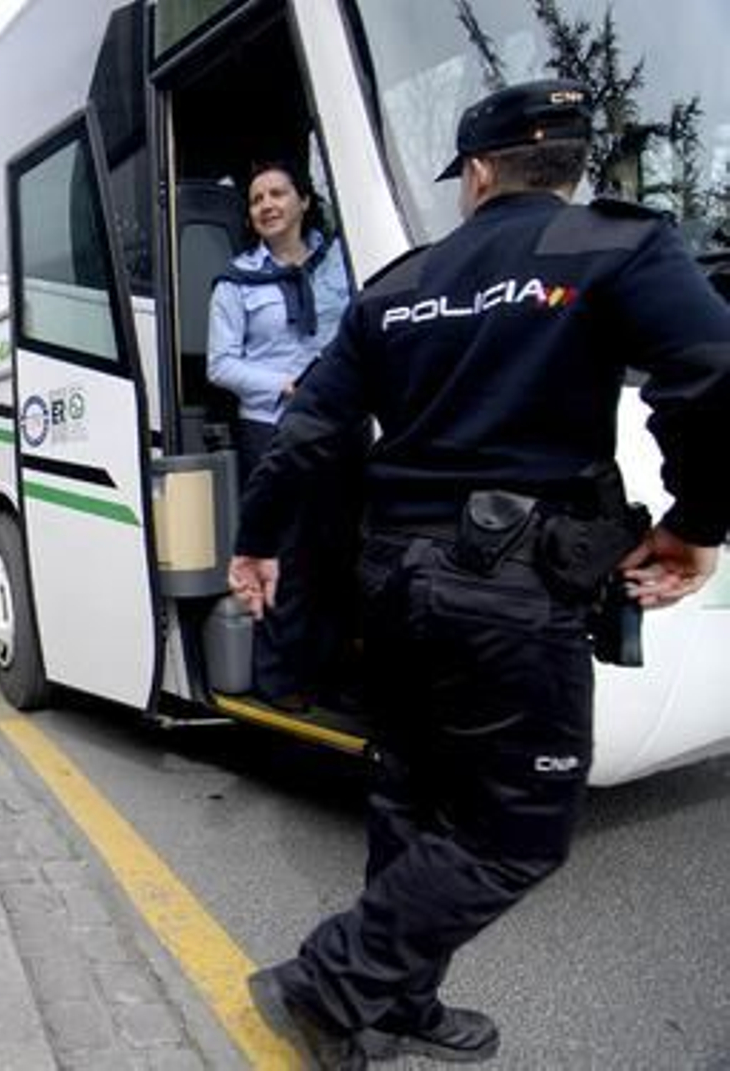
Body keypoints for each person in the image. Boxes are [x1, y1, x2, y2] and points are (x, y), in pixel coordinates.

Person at [229, 81, 730, 1069]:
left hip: (395, 589)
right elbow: (713, 375)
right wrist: (695, 522)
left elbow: (304, 436)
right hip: (507, 599)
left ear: (481, 171)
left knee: (411, 803)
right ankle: (333, 983)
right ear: (568, 165)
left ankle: (391, 1009)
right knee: (519, 830)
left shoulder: (399, 282)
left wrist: (257, 539)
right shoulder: (616, 245)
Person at [207, 160, 356, 707]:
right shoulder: (236, 281)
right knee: (282, 554)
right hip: (271, 427)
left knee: (339, 552)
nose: (267, 205)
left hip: (339, 425)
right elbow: (221, 365)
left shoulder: (343, 261)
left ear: (304, 201)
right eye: (256, 199)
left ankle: (335, 675)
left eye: (277, 193)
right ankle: (281, 678)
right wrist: (285, 385)